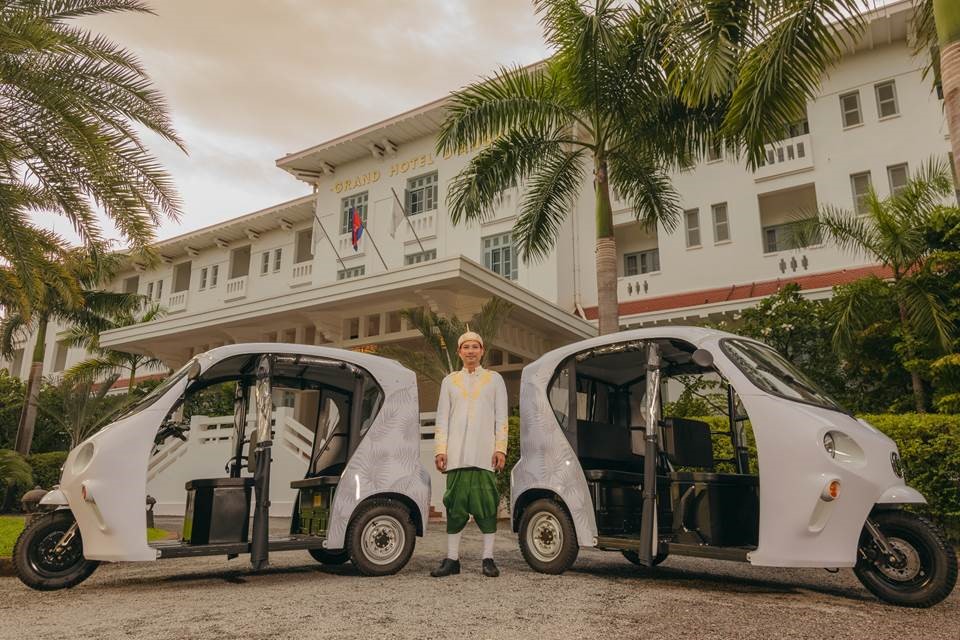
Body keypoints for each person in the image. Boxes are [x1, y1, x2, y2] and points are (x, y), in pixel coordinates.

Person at [430, 330, 508, 578]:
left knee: (486, 506)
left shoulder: (495, 380)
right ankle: (452, 560)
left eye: (476, 347)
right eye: (466, 347)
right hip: (457, 456)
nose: (471, 351)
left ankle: (488, 559)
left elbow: (501, 417)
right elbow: (442, 418)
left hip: (484, 455)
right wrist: (441, 450)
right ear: (459, 352)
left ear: (482, 351)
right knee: (455, 506)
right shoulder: (449, 381)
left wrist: (500, 448)